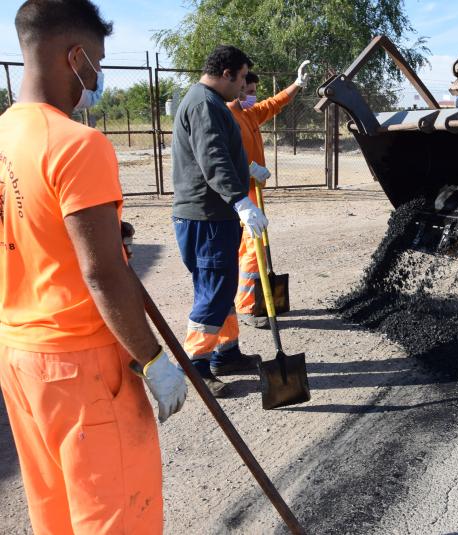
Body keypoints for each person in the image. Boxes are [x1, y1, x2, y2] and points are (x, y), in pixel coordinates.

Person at [0, 1, 187, 533]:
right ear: (75, 56)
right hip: (81, 369)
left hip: (18, 360)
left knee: (55, 514)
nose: (97, 76)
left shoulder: (4, 135)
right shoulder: (77, 145)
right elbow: (102, 273)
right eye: (97, 63)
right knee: (116, 519)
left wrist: (105, 233)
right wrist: (153, 359)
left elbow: (26, 226)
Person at [172, 45, 270, 397]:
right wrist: (240, 200)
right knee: (214, 290)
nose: (245, 86)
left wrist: (248, 170)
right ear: (227, 73)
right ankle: (196, 363)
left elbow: (223, 155)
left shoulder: (210, 103)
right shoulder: (203, 104)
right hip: (206, 216)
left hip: (213, 215)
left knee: (222, 287)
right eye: (242, 78)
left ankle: (225, 354)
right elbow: (212, 159)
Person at [229, 63, 311, 328]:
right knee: (254, 248)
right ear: (235, 90)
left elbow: (274, 103)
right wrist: (248, 168)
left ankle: (244, 300)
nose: (250, 97)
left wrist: (297, 84)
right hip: (240, 193)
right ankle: (246, 306)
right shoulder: (229, 116)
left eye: (253, 91)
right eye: (246, 92)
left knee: (248, 248)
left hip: (252, 190)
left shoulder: (250, 113)